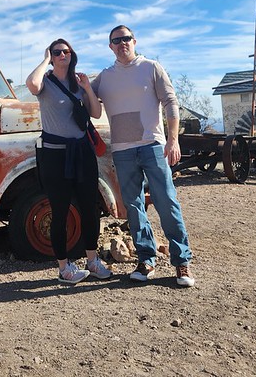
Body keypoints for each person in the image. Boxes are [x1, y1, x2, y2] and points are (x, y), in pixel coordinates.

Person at [91, 25, 195, 287]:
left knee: (166, 202)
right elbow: (85, 99)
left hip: (152, 146)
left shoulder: (151, 67)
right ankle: (146, 260)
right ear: (110, 46)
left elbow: (171, 103)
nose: (122, 43)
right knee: (134, 207)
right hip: (123, 150)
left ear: (134, 41)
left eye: (126, 38)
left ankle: (181, 261)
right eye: (116, 40)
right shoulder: (104, 77)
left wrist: (173, 140)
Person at [26, 38, 113, 284]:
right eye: (57, 52)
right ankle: (64, 268)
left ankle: (92, 261)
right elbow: (31, 84)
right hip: (55, 154)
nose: (62, 55)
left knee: (89, 207)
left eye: (66, 51)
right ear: (51, 55)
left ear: (72, 54)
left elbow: (95, 113)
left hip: (82, 152)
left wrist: (86, 88)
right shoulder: (45, 83)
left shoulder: (78, 83)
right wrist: (45, 60)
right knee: (60, 210)